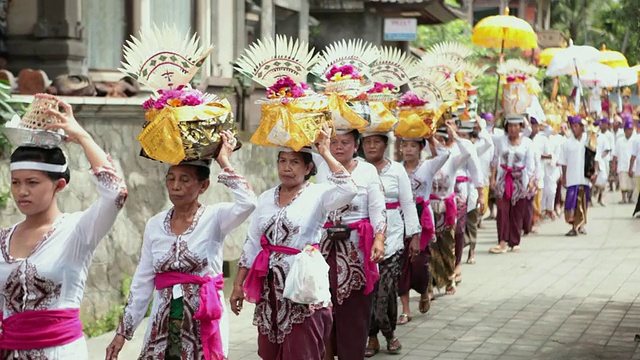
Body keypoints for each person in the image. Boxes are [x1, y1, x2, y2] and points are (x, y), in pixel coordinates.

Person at [106, 131, 256, 360]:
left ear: (203, 186)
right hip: (163, 321)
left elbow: (248, 202)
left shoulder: (215, 217)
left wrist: (223, 160)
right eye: (171, 178)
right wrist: (123, 333)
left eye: (185, 180)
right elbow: (142, 281)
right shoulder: (155, 225)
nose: (175, 185)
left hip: (203, 316)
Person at [0, 100, 128, 359]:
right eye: (16, 182)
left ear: (59, 185)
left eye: (32, 182)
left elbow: (116, 193)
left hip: (61, 352)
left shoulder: (78, 230)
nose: (22, 191)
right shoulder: (3, 238)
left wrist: (82, 136)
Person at [229, 125, 357, 360]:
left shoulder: (319, 194)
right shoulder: (266, 198)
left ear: (309, 167)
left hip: (302, 283)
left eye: (295, 162)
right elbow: (252, 244)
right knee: (269, 349)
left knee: (302, 348)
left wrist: (326, 152)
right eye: (282, 161)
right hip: (270, 286)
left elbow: (349, 189)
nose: (286, 168)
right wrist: (238, 284)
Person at [316, 129, 386, 360]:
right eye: (333, 142)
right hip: (323, 247)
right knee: (321, 307)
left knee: (354, 311)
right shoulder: (320, 164)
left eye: (345, 142)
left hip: (356, 248)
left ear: (356, 145)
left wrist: (379, 238)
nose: (338, 147)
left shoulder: (367, 171)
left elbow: (377, 208)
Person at [360, 132, 420, 356]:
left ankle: (389, 334)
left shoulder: (397, 170)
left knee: (384, 293)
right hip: (366, 240)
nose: (371, 146)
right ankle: (373, 338)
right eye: (367, 142)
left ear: (385, 144)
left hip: (393, 240)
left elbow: (407, 202)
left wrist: (414, 234)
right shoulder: (358, 170)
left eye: (376, 141)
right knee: (369, 293)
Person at [397, 136, 449, 324]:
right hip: (399, 219)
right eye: (405, 145)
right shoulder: (396, 168)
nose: (409, 149)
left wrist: (431, 137)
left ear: (421, 148)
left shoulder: (427, 167)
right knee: (401, 264)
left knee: (420, 263)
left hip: (422, 219)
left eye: (413, 145)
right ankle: (405, 309)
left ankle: (424, 290)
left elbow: (445, 154)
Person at [429, 121, 472, 295]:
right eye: (434, 140)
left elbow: (468, 153)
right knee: (430, 247)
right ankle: (429, 286)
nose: (437, 144)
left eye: (441, 139)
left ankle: (450, 279)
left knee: (448, 245)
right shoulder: (426, 163)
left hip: (447, 210)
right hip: (429, 211)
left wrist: (456, 136)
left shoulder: (452, 162)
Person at [489, 114, 535, 253]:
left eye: (516, 126)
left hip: (520, 180)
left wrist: (532, 180)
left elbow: (530, 164)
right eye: (510, 126)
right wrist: (492, 178)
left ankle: (515, 241)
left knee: (517, 211)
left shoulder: (527, 143)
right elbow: (495, 160)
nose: (513, 129)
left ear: (521, 127)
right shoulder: (500, 141)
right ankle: (502, 241)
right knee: (502, 211)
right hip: (503, 180)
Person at [457, 119, 492, 264]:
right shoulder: (452, 148)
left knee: (471, 224)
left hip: (472, 192)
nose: (464, 140)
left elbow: (489, 143)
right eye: (461, 136)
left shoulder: (474, 148)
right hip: (456, 193)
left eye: (466, 136)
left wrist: (481, 127)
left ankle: (471, 252)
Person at [559, 115, 599, 236]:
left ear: (582, 128)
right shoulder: (567, 143)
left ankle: (578, 226)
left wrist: (595, 172)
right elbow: (563, 162)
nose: (574, 129)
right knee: (571, 203)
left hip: (584, 178)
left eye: (576, 126)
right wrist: (564, 176)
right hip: (572, 178)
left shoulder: (589, 141)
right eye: (572, 126)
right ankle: (574, 225)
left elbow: (595, 158)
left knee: (582, 202)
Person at [541, 124, 563, 220]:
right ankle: (542, 210)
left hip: (553, 168)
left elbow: (558, 154)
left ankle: (550, 209)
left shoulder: (558, 139)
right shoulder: (540, 137)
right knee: (542, 190)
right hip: (542, 167)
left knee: (552, 190)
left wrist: (551, 158)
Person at [612, 118, 636, 204]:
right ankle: (623, 198)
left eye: (631, 129)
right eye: (627, 129)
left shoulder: (635, 140)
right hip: (622, 165)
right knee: (623, 184)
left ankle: (630, 198)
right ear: (624, 130)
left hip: (633, 165)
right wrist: (614, 165)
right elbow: (615, 154)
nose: (629, 131)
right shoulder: (619, 141)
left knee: (631, 184)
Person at [593, 119, 613, 206]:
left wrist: (599, 157)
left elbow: (607, 150)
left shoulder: (603, 137)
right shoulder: (588, 136)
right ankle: (590, 199)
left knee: (603, 180)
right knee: (591, 180)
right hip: (591, 162)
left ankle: (601, 197)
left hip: (603, 162)